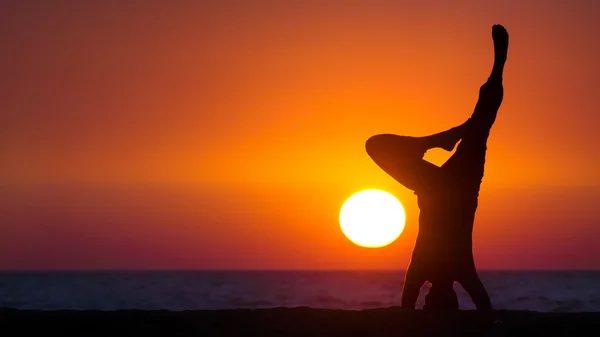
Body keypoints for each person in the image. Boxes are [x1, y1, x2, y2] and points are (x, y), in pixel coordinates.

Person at [365, 24, 509, 311]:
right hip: (455, 186)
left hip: (439, 186)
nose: (429, 298)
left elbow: (482, 306)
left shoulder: (443, 271)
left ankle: (437, 140)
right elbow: (410, 306)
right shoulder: (447, 271)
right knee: (481, 122)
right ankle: (498, 65)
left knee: (375, 145)